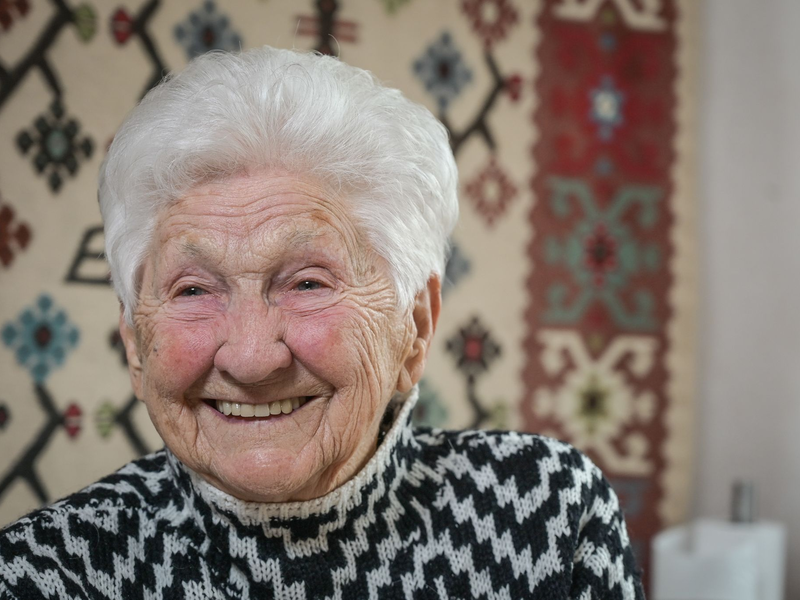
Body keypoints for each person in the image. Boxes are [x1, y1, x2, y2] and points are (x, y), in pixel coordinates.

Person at [0, 46, 644, 599]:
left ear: (415, 328)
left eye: (307, 283)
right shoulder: (48, 572)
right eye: (193, 290)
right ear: (136, 345)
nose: (252, 357)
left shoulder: (548, 513)